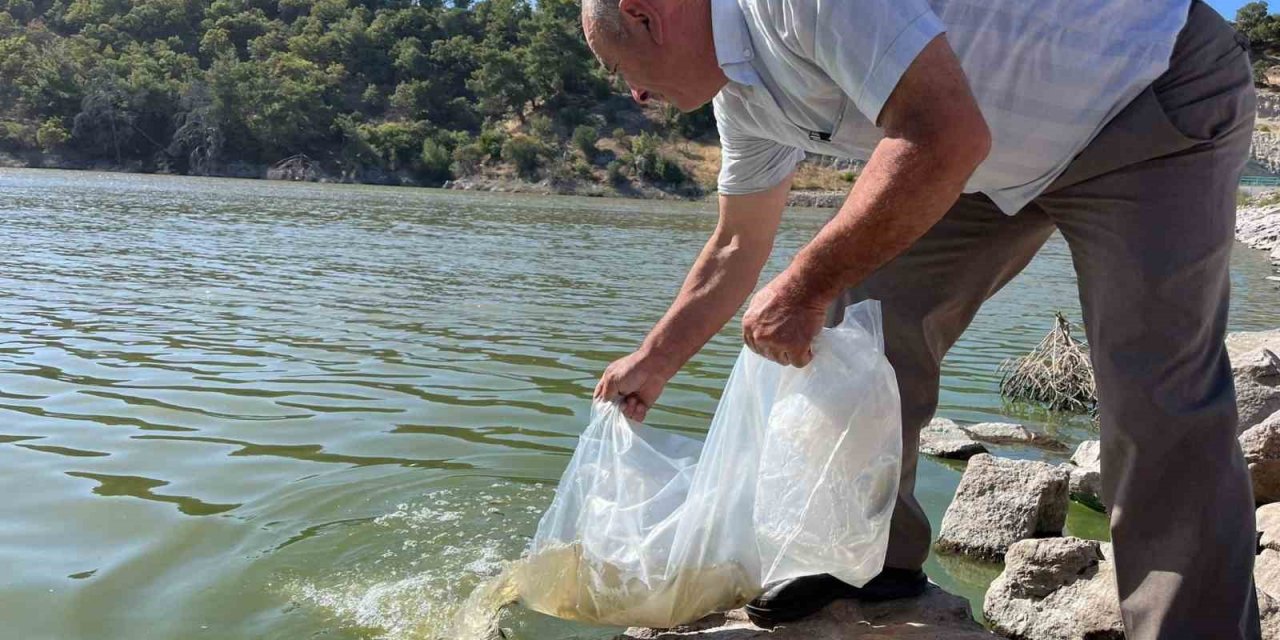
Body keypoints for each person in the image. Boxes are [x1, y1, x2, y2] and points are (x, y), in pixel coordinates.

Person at [586, 0, 1260, 637]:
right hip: (981, 144)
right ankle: (869, 562)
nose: (633, 95)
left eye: (618, 69)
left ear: (647, 12)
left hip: (1143, 99)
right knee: (865, 320)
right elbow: (737, 243)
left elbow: (942, 134)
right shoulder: (745, 97)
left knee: (1157, 398)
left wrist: (802, 285)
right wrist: (655, 359)